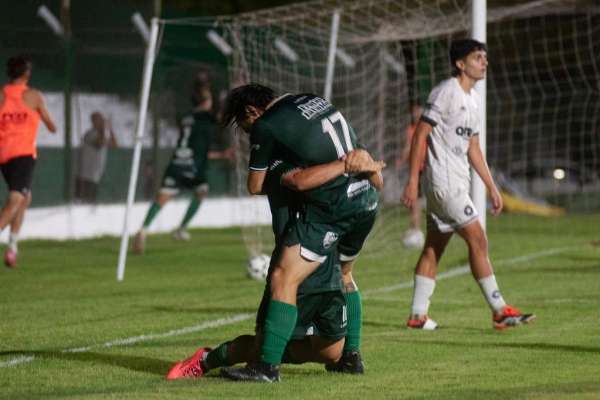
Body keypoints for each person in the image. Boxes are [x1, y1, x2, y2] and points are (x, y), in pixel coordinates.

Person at [166, 149, 382, 382]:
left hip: (326, 263)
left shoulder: (325, 156)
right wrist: (345, 165)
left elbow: (372, 179)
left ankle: (348, 356)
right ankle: (208, 360)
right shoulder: (281, 163)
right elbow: (266, 184)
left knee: (330, 353)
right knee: (261, 348)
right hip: (293, 263)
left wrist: (362, 163)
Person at [217, 84, 384, 382]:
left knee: (283, 276)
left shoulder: (266, 125)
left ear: (252, 112)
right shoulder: (314, 100)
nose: (247, 134)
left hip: (334, 205)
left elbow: (255, 185)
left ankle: (266, 367)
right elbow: (360, 161)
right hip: (367, 198)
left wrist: (280, 168)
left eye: (244, 126)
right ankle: (351, 357)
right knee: (345, 274)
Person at [401, 39, 535, 330]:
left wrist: (492, 187)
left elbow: (473, 148)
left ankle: (417, 315)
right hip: (444, 183)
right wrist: (412, 181)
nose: (484, 62)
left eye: (485, 57)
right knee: (478, 239)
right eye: (477, 57)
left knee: (434, 247)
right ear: (460, 64)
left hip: (454, 183)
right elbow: (420, 135)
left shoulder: (474, 100)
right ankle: (499, 310)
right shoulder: (446, 92)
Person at [133, 78, 231, 254]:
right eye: (210, 98)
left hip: (177, 162)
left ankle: (143, 230)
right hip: (193, 167)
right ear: (206, 102)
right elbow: (222, 119)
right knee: (202, 190)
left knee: (162, 197)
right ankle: (181, 228)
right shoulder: (206, 119)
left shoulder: (186, 118)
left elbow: (195, 146)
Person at [0, 55, 56, 268]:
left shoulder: (1, 95)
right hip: (22, 154)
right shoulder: (33, 96)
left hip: (5, 156)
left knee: (24, 198)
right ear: (26, 73)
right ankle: (11, 244)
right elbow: (52, 126)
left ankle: (12, 247)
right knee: (17, 199)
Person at [396, 103, 425, 248]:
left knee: (414, 201)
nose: (415, 114)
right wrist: (401, 160)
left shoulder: (426, 128)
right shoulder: (410, 129)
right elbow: (408, 148)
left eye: (417, 111)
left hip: (425, 168)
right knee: (413, 201)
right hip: (415, 169)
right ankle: (415, 229)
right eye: (413, 111)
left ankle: (416, 230)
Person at [75, 112, 117, 203]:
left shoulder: (103, 133)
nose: (100, 122)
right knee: (82, 201)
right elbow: (99, 143)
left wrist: (110, 129)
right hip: (85, 173)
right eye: (98, 120)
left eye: (101, 120)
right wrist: (104, 129)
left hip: (95, 173)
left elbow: (114, 145)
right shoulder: (90, 133)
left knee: (91, 200)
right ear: (93, 121)